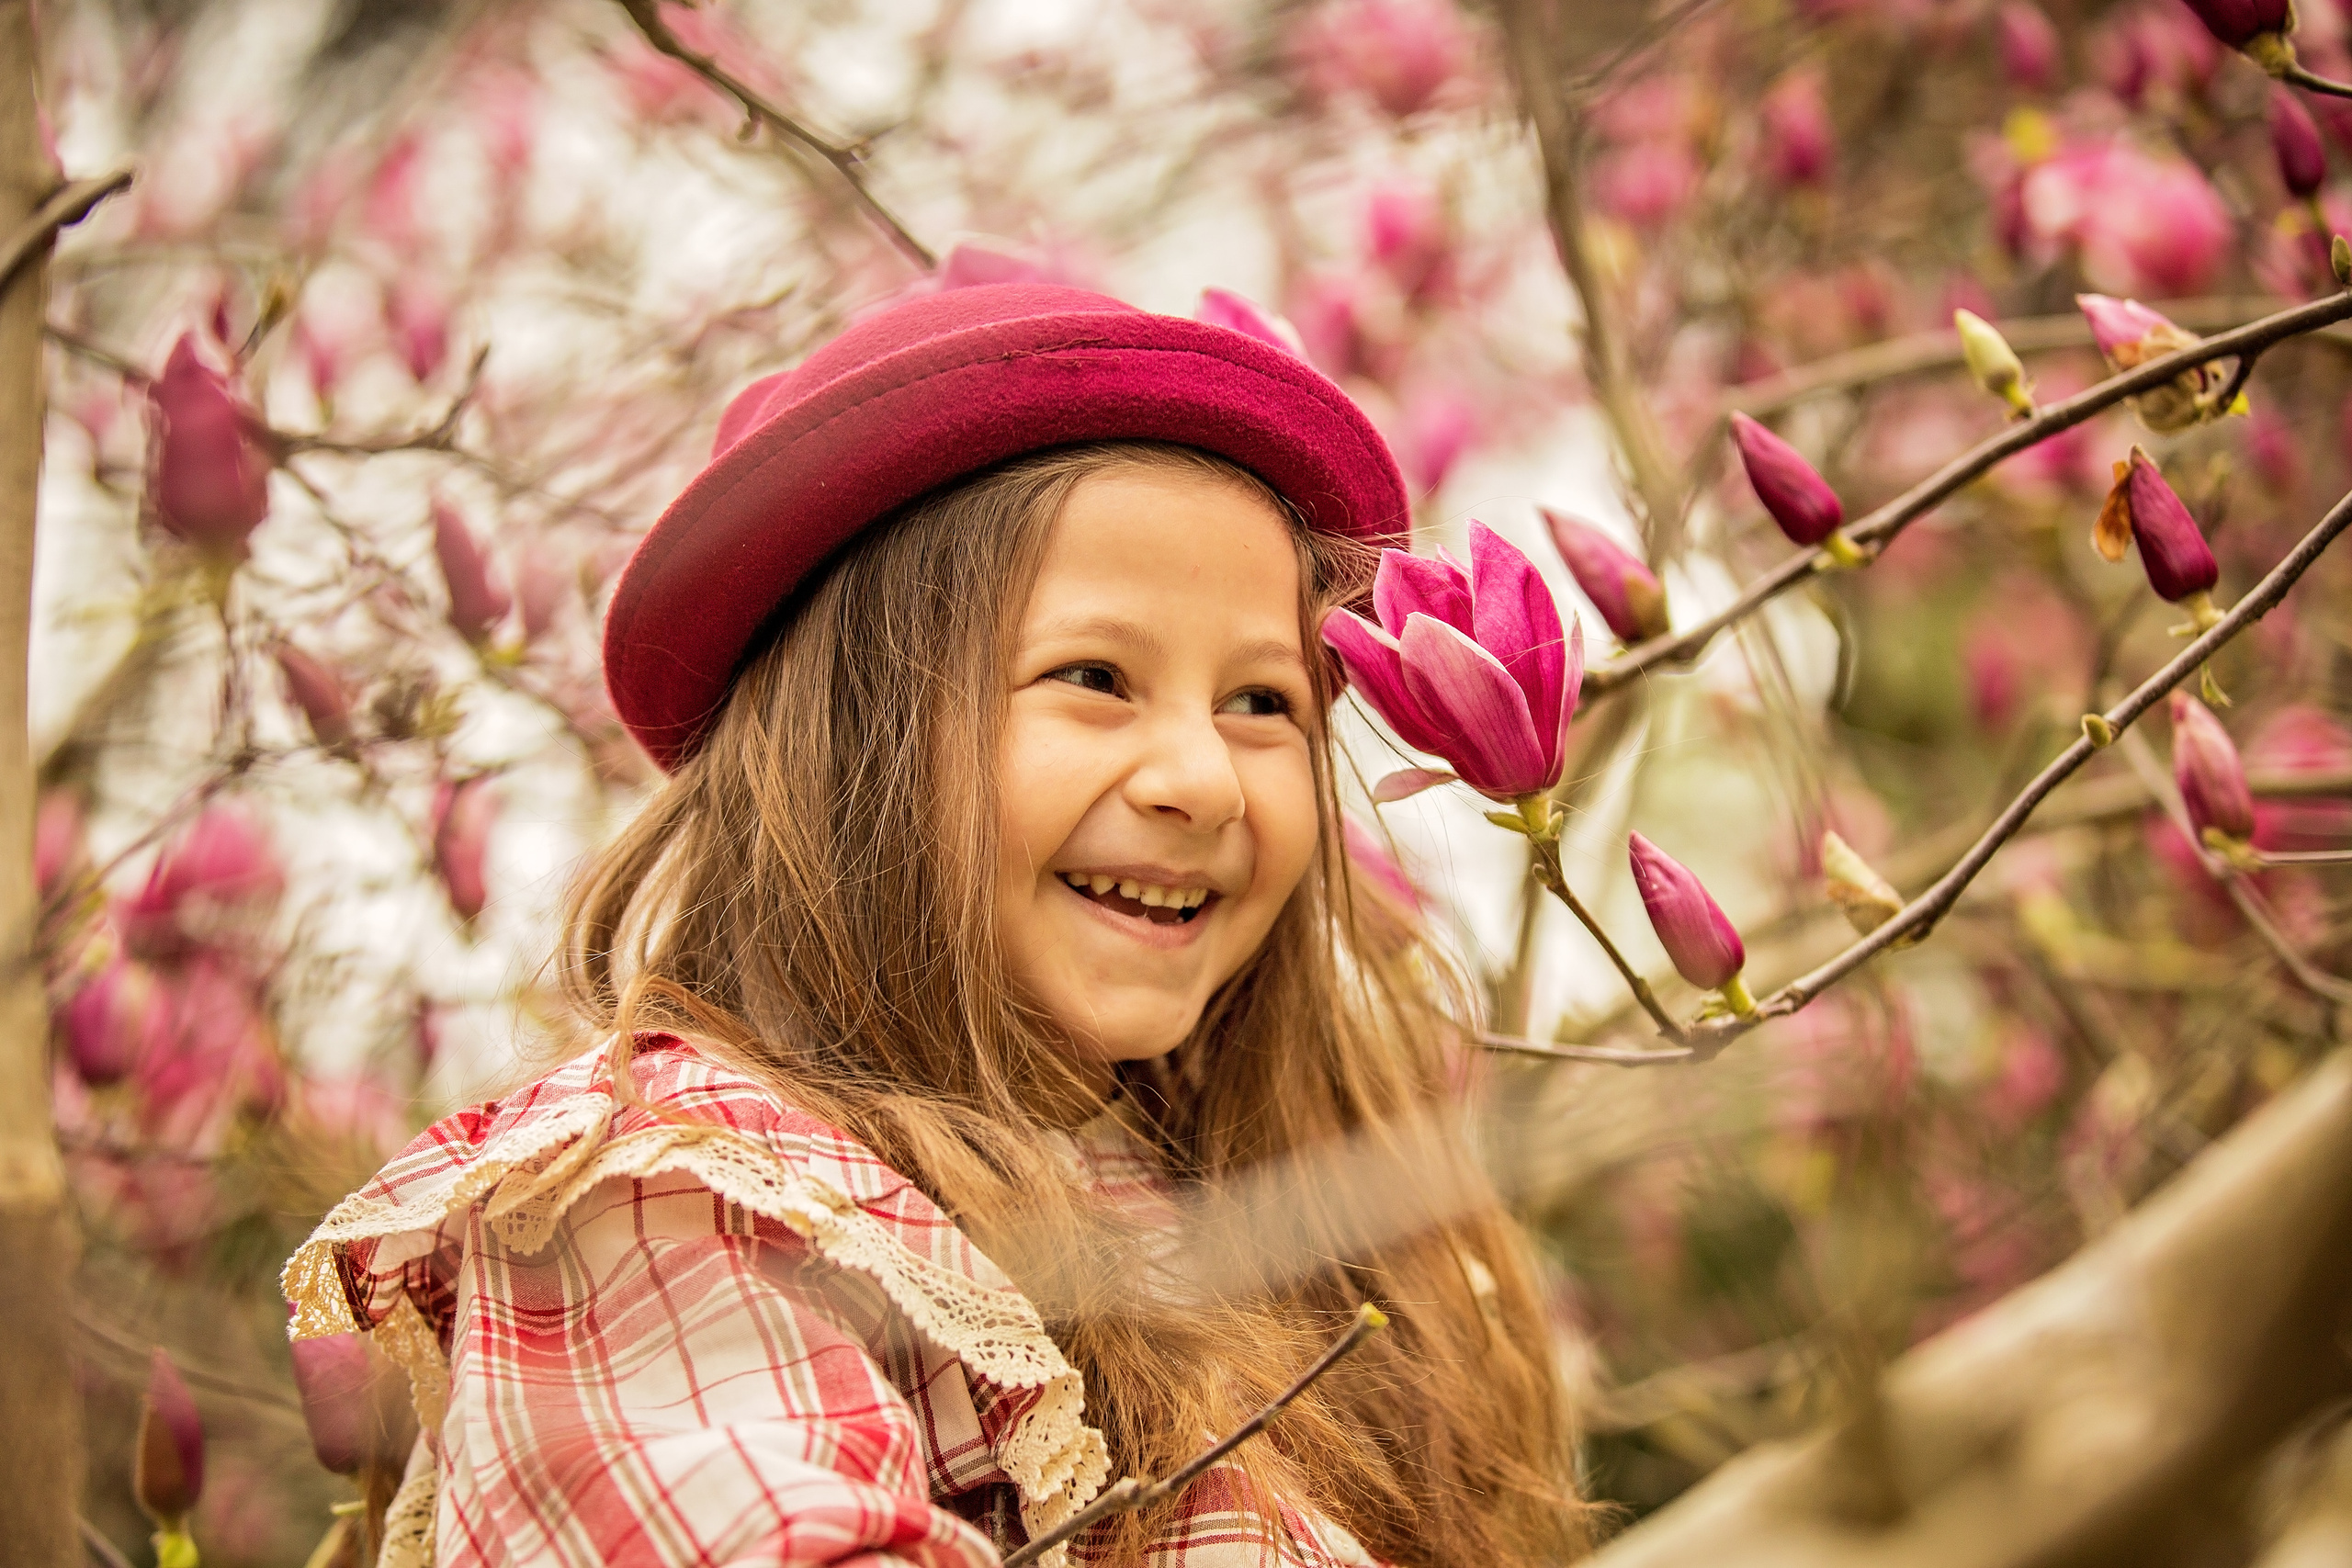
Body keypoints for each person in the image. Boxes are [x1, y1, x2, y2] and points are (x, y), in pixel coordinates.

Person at [283, 283, 1583, 1568]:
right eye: (1094, 678)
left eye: (1262, 700)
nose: (1202, 779)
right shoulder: (678, 1208)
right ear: (852, 741)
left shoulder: (1218, 1205)